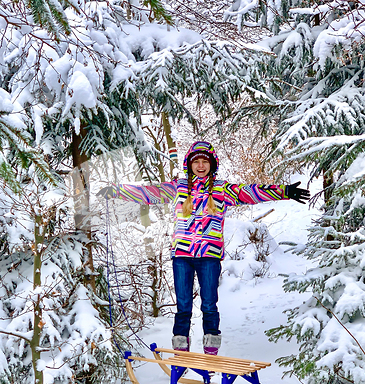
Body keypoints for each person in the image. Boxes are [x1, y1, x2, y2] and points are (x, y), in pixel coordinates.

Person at [98, 141, 310, 355]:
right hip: (181, 255)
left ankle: (211, 351)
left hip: (209, 256)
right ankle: (181, 352)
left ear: (212, 164)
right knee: (183, 306)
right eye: (196, 161)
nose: (200, 165)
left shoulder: (222, 189)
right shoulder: (178, 187)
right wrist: (115, 191)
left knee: (209, 304)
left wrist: (284, 191)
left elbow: (252, 192)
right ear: (189, 164)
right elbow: (147, 193)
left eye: (204, 161)